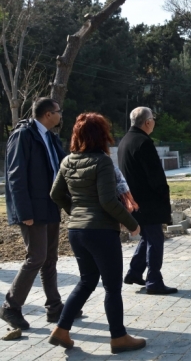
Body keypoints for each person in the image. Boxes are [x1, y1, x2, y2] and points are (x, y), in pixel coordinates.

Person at [48, 112, 145, 352]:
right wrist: (132, 224)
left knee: (87, 281)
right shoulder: (101, 162)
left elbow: (55, 194)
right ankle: (119, 337)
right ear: (101, 135)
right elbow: (108, 202)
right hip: (101, 232)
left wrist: (77, 212)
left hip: (77, 232)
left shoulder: (67, 161)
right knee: (112, 287)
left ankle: (61, 329)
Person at [0, 98, 77, 330]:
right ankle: (10, 307)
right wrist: (24, 211)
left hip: (50, 206)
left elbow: (64, 166)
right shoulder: (23, 135)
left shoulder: (51, 137)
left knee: (50, 258)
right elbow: (15, 175)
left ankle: (54, 307)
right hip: (33, 209)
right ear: (46, 114)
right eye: (58, 112)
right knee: (36, 257)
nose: (60, 115)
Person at [119, 107, 177, 295]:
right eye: (153, 119)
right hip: (148, 202)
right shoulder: (144, 143)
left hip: (133, 200)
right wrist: (164, 197)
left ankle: (134, 272)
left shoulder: (125, 141)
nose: (154, 122)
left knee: (147, 237)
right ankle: (154, 281)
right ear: (147, 122)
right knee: (155, 239)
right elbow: (156, 177)